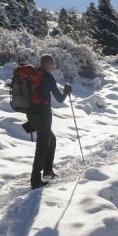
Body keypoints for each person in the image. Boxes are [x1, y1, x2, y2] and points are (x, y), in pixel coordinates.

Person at [27, 54, 71, 189]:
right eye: (53, 63)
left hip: (31, 113)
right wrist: (67, 91)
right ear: (48, 64)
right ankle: (35, 180)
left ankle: (48, 171)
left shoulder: (34, 75)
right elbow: (59, 98)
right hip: (43, 115)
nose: (54, 66)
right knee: (42, 146)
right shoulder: (47, 77)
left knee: (51, 140)